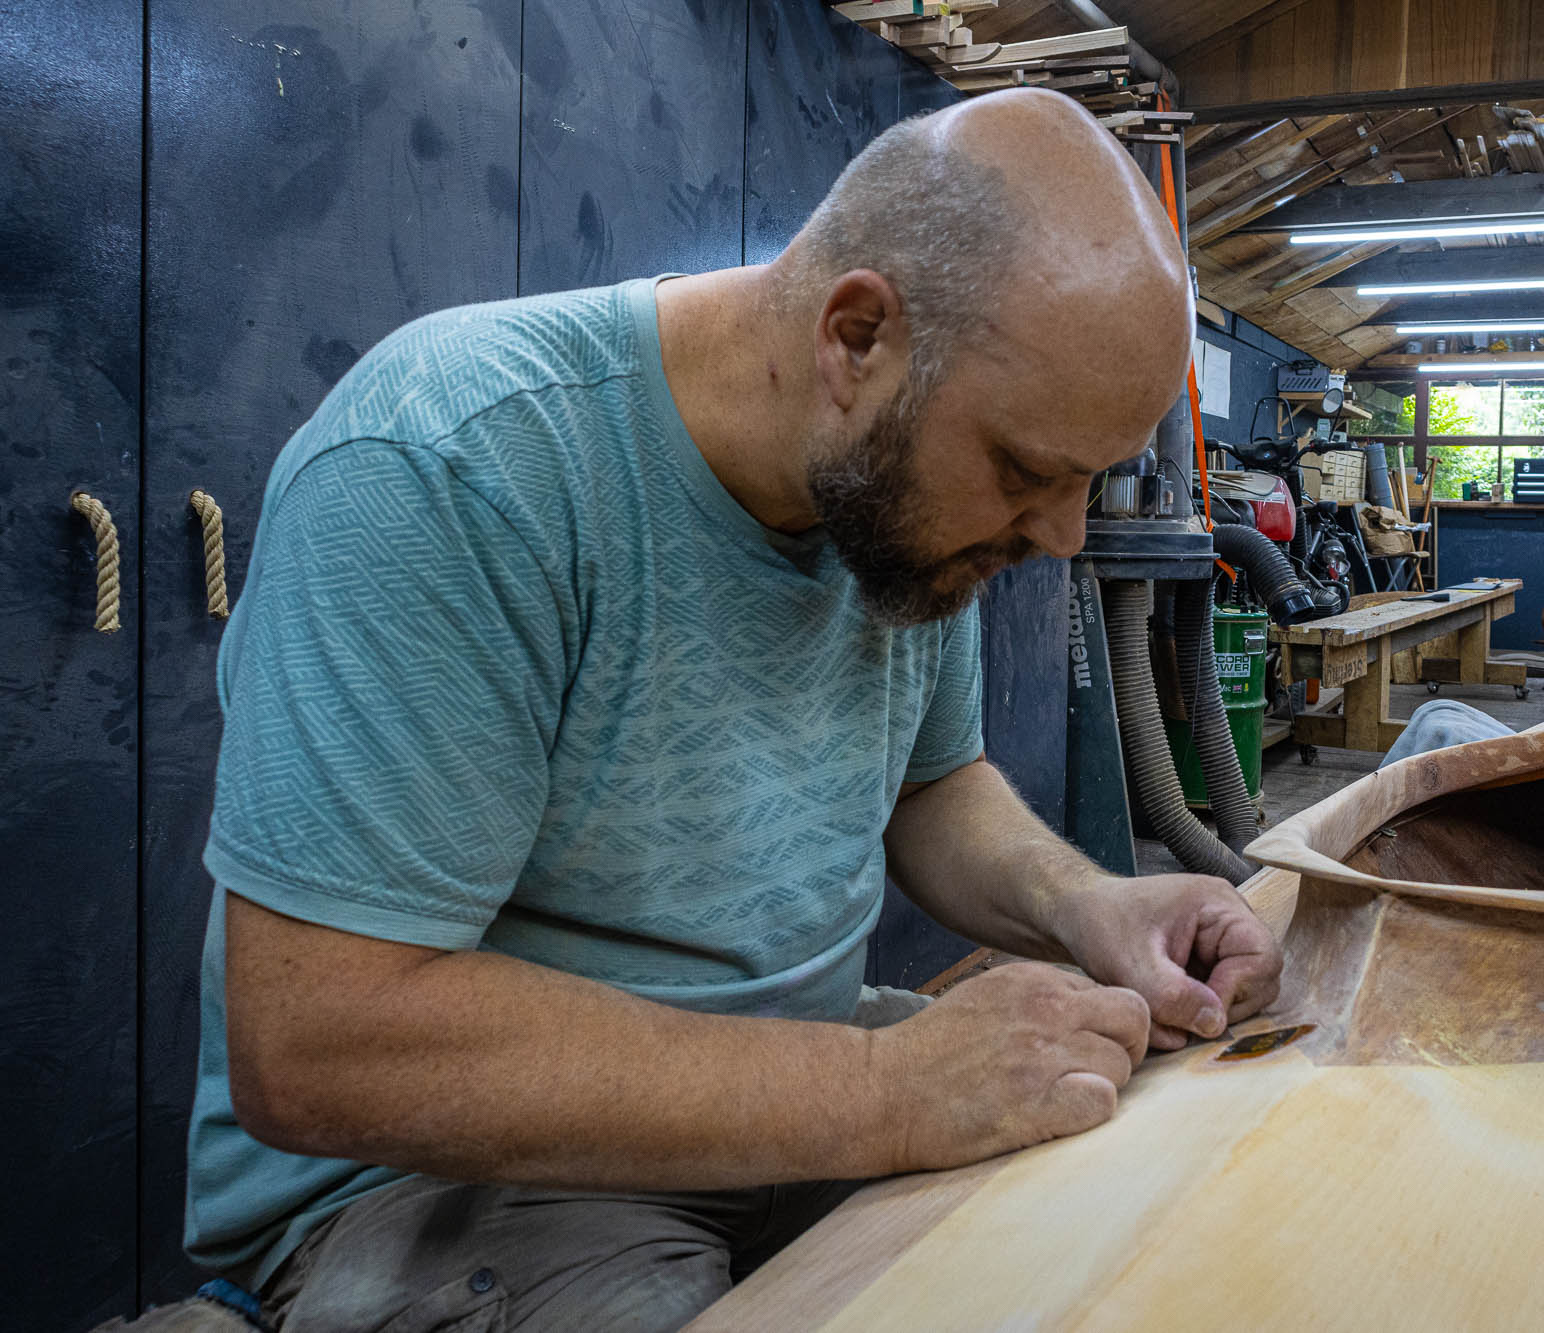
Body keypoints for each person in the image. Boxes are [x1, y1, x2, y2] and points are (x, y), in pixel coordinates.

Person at [184, 89, 1284, 1330]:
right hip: (447, 1177)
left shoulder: (896, 505)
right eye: (1028, 471)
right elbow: (322, 1041)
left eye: (1087, 481)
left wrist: (1090, 903)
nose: (1061, 536)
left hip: (792, 1076)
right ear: (856, 335)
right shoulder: (454, 462)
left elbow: (933, 788)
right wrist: (882, 1088)